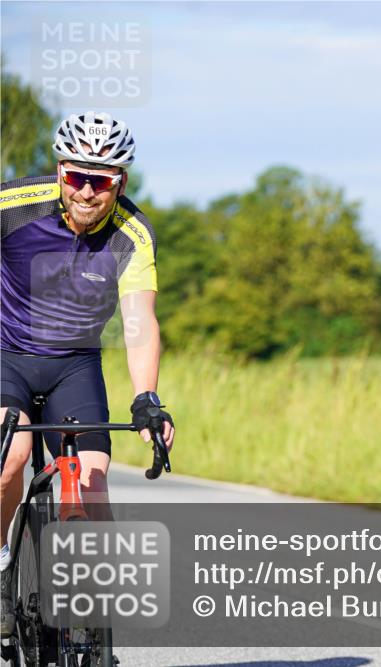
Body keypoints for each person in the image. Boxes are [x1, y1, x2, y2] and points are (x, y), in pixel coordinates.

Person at [0, 111, 175, 636]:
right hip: (5, 354)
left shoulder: (133, 234)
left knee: (92, 484)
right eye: (77, 177)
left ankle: (93, 631)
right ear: (59, 171)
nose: (87, 192)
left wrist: (147, 398)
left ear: (119, 182)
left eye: (101, 181)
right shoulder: (12, 207)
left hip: (74, 366)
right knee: (12, 456)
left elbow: (139, 319)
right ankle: (2, 560)